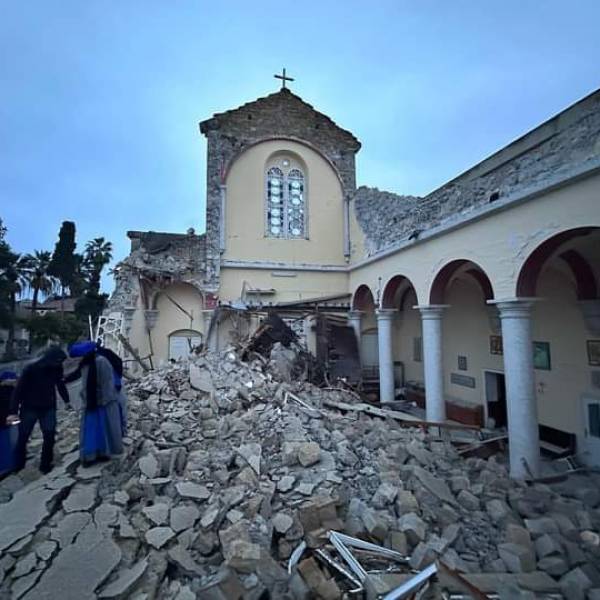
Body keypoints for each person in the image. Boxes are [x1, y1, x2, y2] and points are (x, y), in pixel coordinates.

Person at [10, 347, 71, 474]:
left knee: (49, 436)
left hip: (48, 407)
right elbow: (18, 391)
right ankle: (18, 466)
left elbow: (60, 385)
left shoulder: (56, 368)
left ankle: (45, 465)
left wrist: (67, 401)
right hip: (29, 407)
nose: (59, 364)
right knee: (23, 437)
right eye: (57, 361)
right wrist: (13, 411)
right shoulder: (31, 369)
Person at [68, 341, 123, 466]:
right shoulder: (87, 363)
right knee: (91, 433)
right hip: (91, 404)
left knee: (102, 432)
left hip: (103, 403)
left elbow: (107, 384)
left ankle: (102, 454)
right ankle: (90, 456)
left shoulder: (101, 362)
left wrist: (103, 400)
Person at [0, 371, 18, 476]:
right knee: (7, 442)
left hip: (9, 419)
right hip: (5, 421)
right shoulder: (8, 391)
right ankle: (7, 467)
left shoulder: (11, 390)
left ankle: (10, 464)